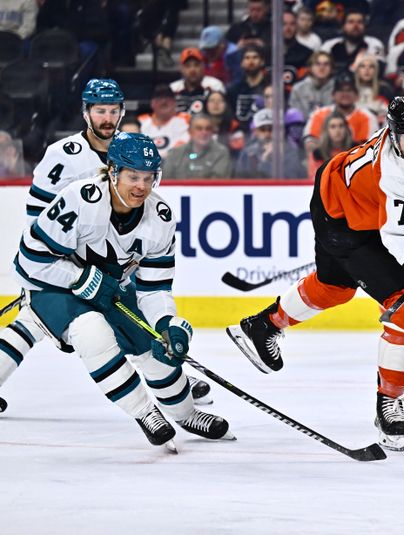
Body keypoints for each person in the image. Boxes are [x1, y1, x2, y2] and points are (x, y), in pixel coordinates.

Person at [228, 94, 404, 451]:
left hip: (340, 188)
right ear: (394, 137)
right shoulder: (396, 175)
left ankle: (262, 325)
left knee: (335, 288)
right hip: (344, 218)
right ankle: (388, 404)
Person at [10, 133, 233, 449]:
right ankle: (144, 412)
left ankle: (186, 414)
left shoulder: (160, 217)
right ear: (112, 172)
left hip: (109, 287)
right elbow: (28, 261)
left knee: (155, 346)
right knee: (92, 331)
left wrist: (166, 324)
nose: (141, 186)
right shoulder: (79, 199)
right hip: (51, 288)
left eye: (148, 177)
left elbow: (155, 287)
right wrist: (76, 277)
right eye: (132, 176)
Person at [0, 80, 211, 414]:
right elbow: (37, 219)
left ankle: (173, 383)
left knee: (134, 321)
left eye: (114, 110)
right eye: (100, 110)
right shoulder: (62, 156)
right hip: (64, 263)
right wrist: (57, 273)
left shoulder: (134, 154)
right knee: (35, 323)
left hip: (111, 265)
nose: (107, 117)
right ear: (86, 112)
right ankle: (171, 387)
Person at [234, 108, 305, 179]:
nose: (267, 133)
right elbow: (240, 180)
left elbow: (290, 178)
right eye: (262, 129)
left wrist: (266, 162)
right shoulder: (248, 153)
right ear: (256, 132)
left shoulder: (289, 151)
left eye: (271, 129)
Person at [162, 113, 233, 179]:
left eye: (208, 129)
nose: (204, 132)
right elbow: (165, 181)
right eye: (199, 128)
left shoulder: (221, 153)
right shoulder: (175, 153)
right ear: (190, 131)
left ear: (212, 132)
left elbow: (219, 182)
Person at [138, 85, 191, 158]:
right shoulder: (140, 121)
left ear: (175, 102)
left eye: (168, 98)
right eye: (159, 98)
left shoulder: (188, 119)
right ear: (152, 103)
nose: (164, 101)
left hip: (178, 162)